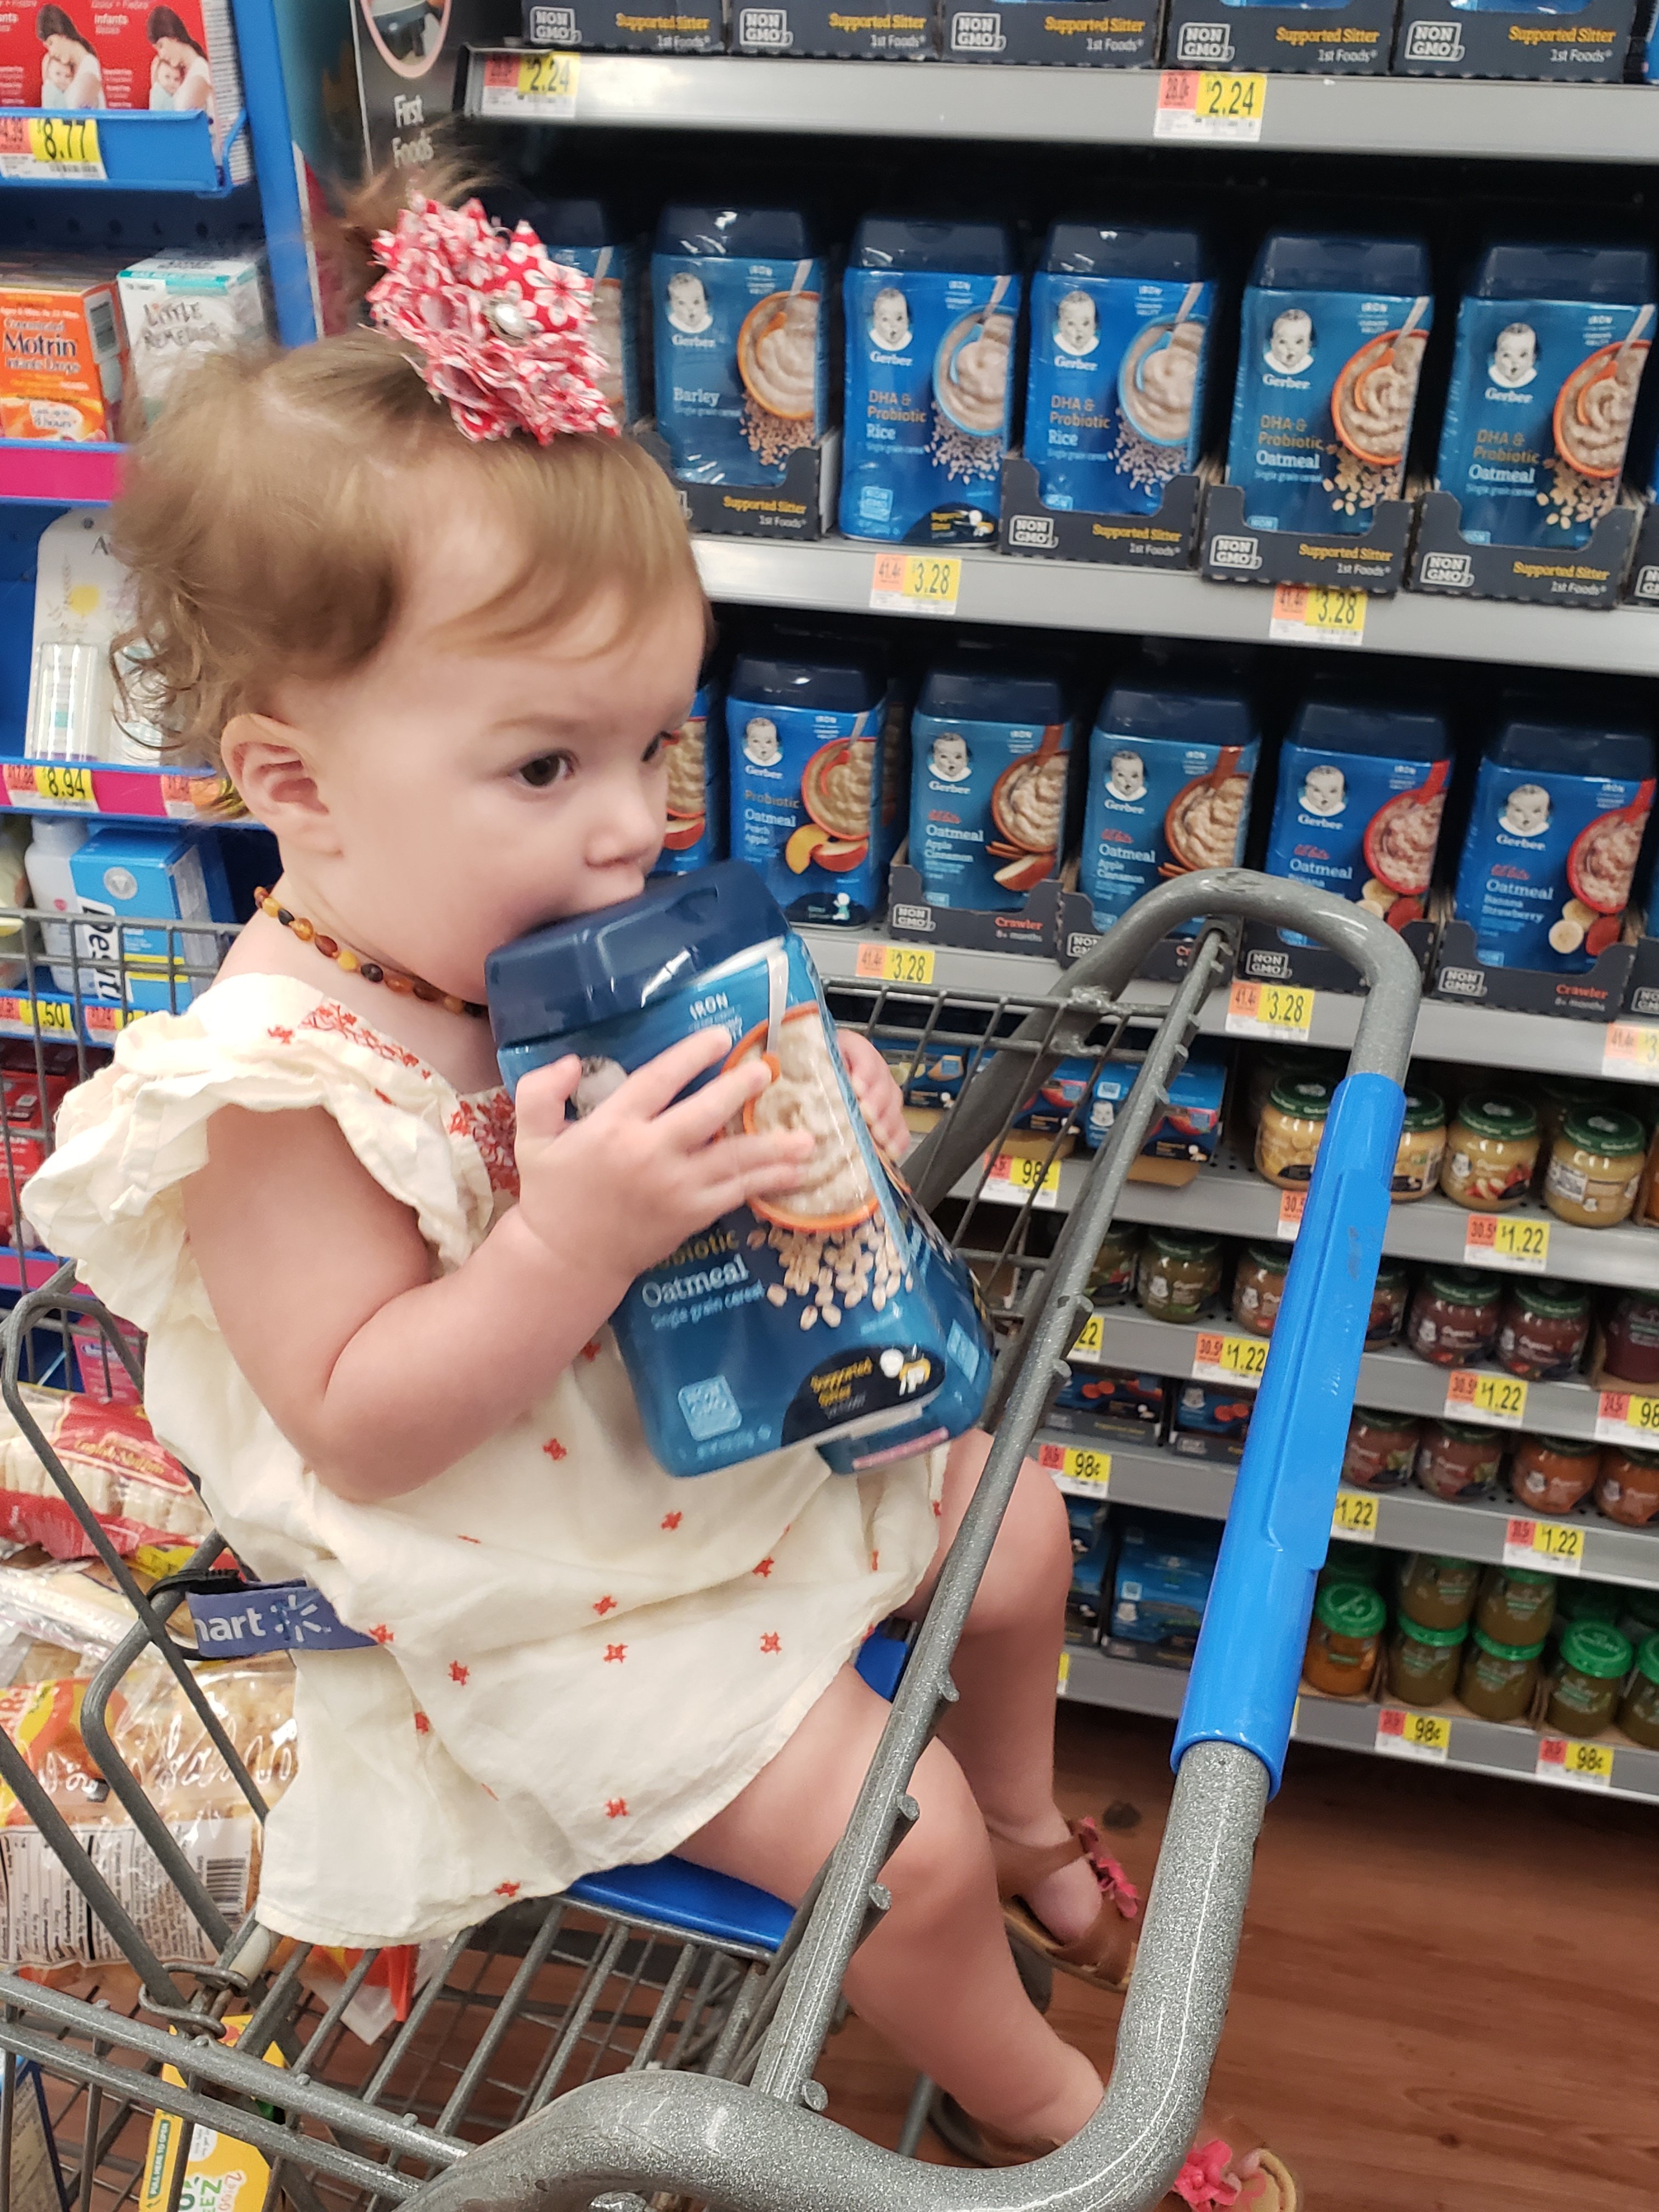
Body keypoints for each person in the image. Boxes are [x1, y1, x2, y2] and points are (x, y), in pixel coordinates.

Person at [24, 179, 1292, 2210]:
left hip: (660, 1459)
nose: (631, 824)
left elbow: (699, 1245)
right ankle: (1035, 2106)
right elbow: (363, 1414)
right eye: (544, 768)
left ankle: (1038, 1810)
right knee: (902, 1851)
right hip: (509, 1590)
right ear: (296, 786)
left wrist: (809, 1118)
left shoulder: (537, 950)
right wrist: (570, 1231)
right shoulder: (273, 1094)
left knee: (1021, 1526)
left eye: (651, 747)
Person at [145, 6, 212, 112]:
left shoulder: (199, 76)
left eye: (161, 46)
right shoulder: (188, 73)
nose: (161, 55)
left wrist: (156, 89)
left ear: (173, 36)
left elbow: (176, 125)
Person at [34, 6, 101, 108]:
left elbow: (78, 118)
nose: (51, 52)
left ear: (63, 35)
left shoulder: (89, 68)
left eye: (51, 43)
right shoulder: (55, 64)